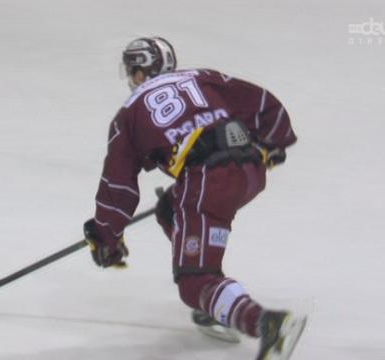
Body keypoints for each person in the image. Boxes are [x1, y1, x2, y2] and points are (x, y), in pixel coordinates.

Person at [83, 37, 306, 360]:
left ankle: (267, 325)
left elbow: (118, 189)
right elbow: (264, 103)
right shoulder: (202, 77)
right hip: (250, 169)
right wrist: (273, 144)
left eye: (133, 71)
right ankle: (217, 300)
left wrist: (106, 238)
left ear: (143, 72)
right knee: (170, 209)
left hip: (207, 181)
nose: (132, 79)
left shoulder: (127, 116)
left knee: (192, 282)